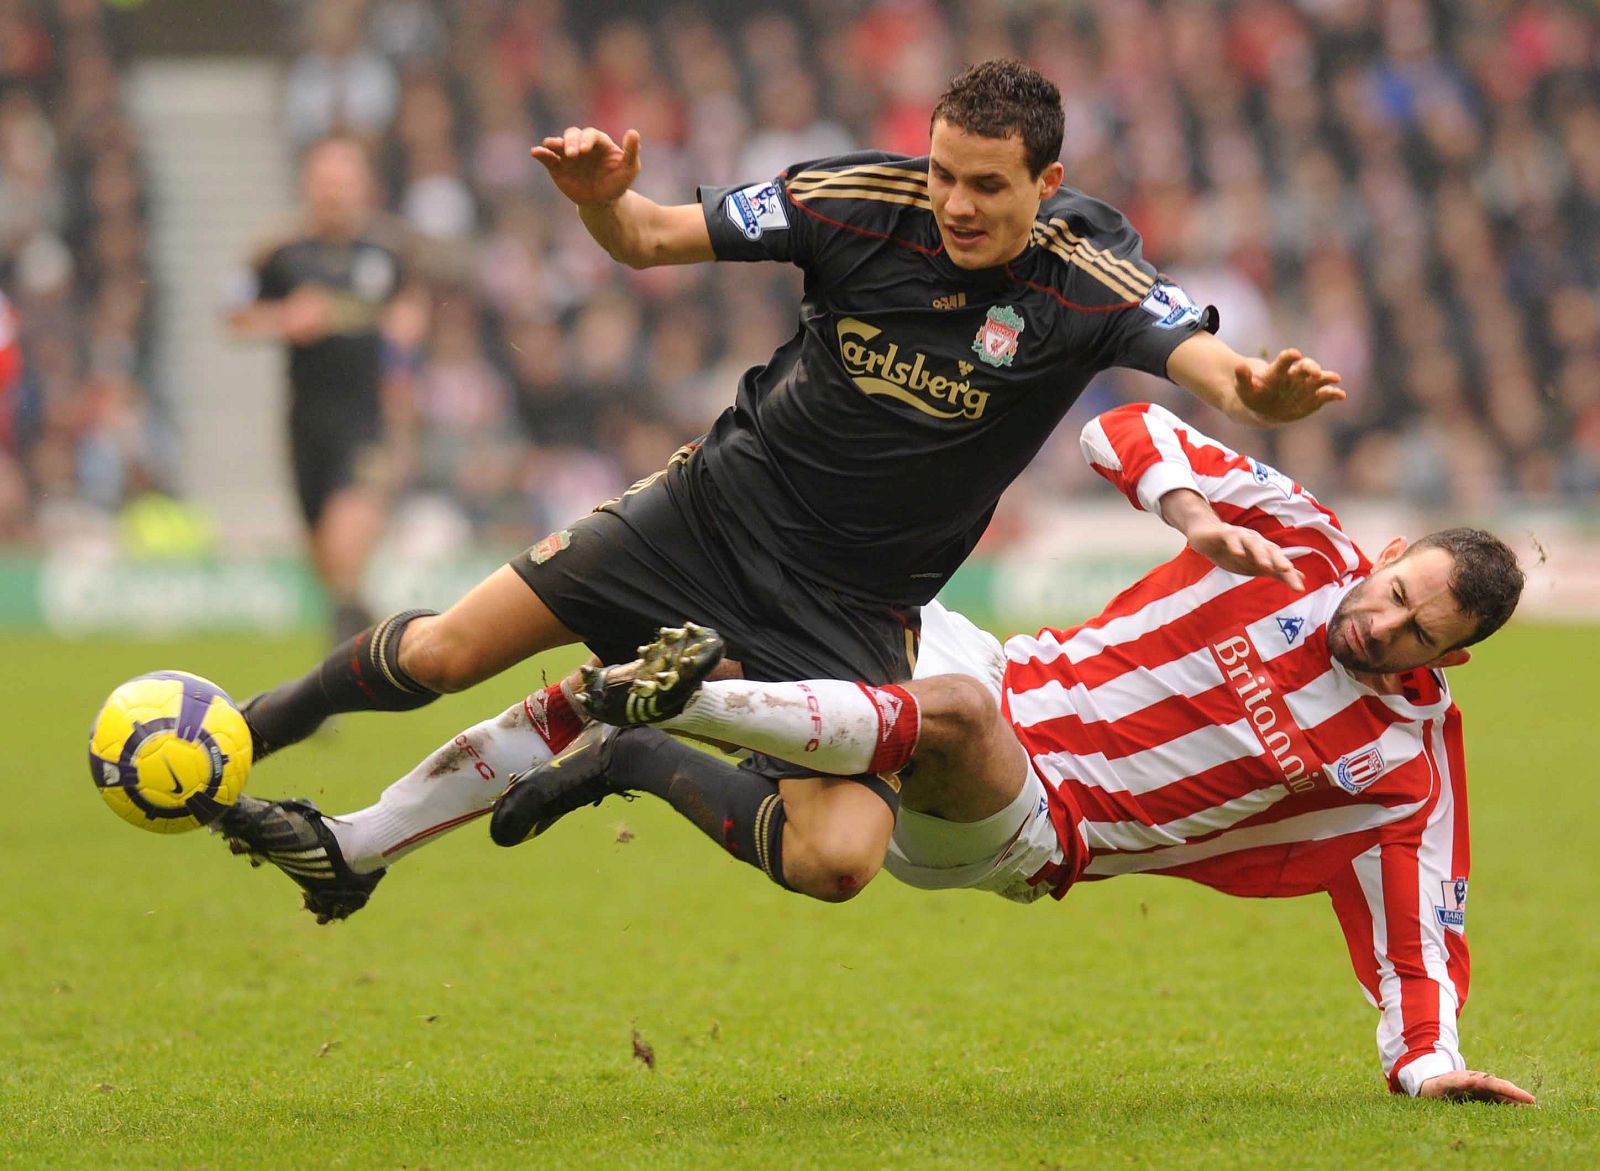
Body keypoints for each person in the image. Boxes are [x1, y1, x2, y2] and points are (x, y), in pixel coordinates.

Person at [219, 61, 1343, 922]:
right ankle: (244, 734)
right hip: (709, 515)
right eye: (943, 173)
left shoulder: (1083, 277)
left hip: (853, 607)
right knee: (441, 654)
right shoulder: (856, 199)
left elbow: (1205, 362)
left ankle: (626, 750)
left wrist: (1254, 389)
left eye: (987, 186)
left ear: (1046, 185)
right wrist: (603, 201)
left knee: (839, 860)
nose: (954, 203)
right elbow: (647, 237)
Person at [491, 402, 1532, 1103]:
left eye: (1417, 634)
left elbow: (1419, 931)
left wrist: (1427, 1062)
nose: (1383, 626)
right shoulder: (1297, 538)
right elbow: (1121, 427)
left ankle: (678, 701)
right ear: (1388, 555)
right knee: (831, 825)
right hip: (990, 662)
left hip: (1028, 822)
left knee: (952, 716)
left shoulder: (1403, 766)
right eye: (1396, 594)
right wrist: (1189, 510)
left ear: (1450, 659)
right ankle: (627, 730)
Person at [226, 134, 424, 643]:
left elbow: (412, 309)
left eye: (344, 181)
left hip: (367, 420)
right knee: (327, 563)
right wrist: (283, 318)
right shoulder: (278, 252)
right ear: (307, 185)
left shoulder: (388, 250)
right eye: (325, 181)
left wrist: (406, 330)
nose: (334, 192)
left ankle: (354, 642)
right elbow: (235, 316)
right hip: (306, 422)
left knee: (344, 542)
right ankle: (369, 633)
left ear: (363, 186)